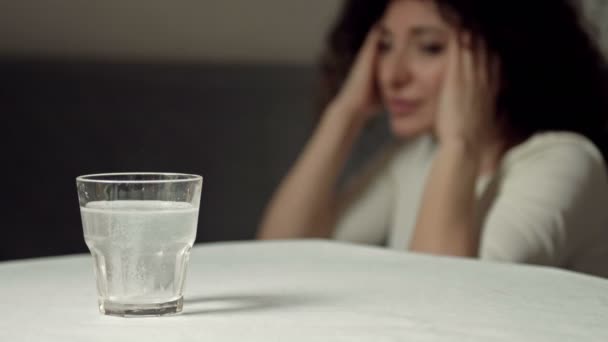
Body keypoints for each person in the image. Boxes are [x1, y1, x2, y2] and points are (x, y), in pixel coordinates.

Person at [258, 0, 608, 277]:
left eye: (429, 47)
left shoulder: (563, 163)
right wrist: (345, 112)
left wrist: (460, 140)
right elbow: (279, 254)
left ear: (501, 58)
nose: (393, 75)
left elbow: (443, 297)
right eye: (385, 45)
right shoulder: (415, 157)